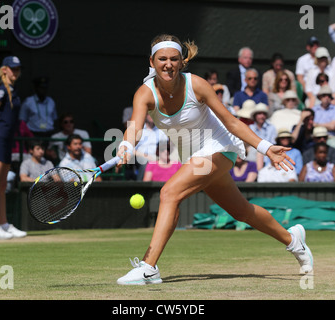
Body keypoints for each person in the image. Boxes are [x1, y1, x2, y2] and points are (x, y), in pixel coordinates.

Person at [115, 34, 313, 285]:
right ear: (151, 62)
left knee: (169, 193)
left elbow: (231, 121)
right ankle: (294, 241)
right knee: (242, 211)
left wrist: (265, 147)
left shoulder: (196, 85)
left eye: (174, 59)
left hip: (220, 146)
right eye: (162, 59)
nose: (168, 64)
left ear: (181, 62)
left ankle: (149, 267)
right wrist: (125, 145)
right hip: (195, 156)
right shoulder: (145, 93)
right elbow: (135, 128)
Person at [0, 56, 27, 240]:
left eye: (17, 68)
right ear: (4, 70)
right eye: (12, 68)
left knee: (2, 185)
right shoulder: (1, 91)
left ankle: (4, 224)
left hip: (8, 141)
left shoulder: (13, 91)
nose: (15, 72)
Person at [134, 114, 168, 180]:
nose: (152, 116)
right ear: (145, 115)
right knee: (145, 162)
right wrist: (146, 156)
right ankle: (139, 187)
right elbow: (132, 150)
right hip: (140, 156)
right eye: (149, 114)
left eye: (153, 114)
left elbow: (165, 146)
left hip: (157, 157)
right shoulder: (138, 130)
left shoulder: (160, 130)